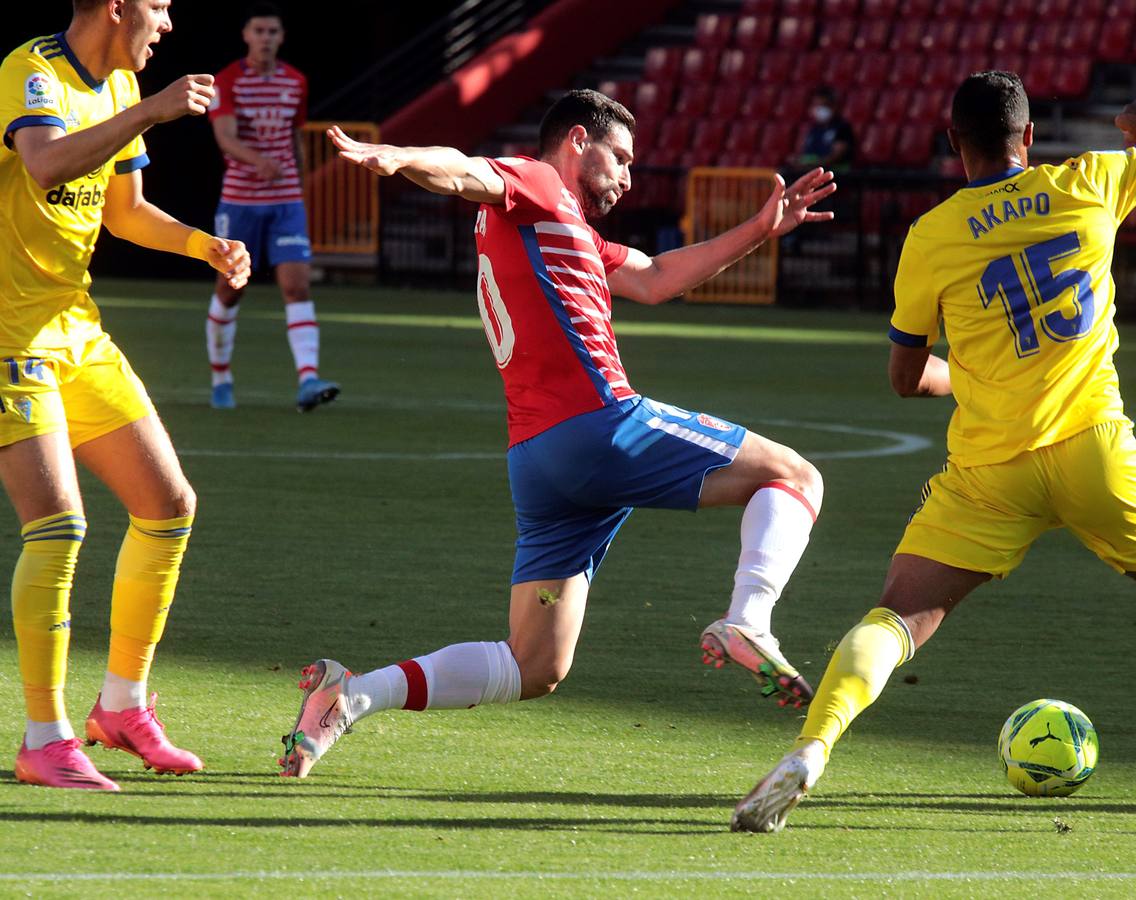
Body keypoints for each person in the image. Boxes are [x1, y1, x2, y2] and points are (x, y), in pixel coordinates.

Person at [732, 73, 1136, 835]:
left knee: (899, 615)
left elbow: (906, 377)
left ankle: (811, 749)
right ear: (1031, 137)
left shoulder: (933, 235)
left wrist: (961, 375)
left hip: (990, 466)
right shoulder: (1093, 180)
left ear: (954, 146)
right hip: (1094, 447)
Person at [275, 89, 836, 779]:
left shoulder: (568, 226)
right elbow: (464, 168)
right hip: (600, 426)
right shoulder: (538, 184)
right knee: (796, 476)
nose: (628, 176)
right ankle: (749, 617)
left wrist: (757, 230)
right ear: (577, 141)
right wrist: (394, 157)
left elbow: (658, 278)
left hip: (539, 459)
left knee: (535, 664)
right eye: (621, 158)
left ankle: (349, 696)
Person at [0, 0, 251, 790]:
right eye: (160, 6)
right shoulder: (31, 71)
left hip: (76, 329)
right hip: (9, 339)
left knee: (169, 504)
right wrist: (154, 105)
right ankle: (45, 738)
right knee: (58, 526)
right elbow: (43, 163)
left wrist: (202, 243)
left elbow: (126, 211)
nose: (170, 22)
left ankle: (123, 707)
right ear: (116, 6)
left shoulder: (113, 87)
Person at [203, 2, 338, 412]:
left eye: (273, 32)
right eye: (259, 31)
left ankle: (308, 380)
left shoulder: (295, 81)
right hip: (241, 202)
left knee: (297, 285)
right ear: (246, 35)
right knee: (229, 290)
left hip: (285, 202)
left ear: (281, 37)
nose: (266, 39)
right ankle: (221, 378)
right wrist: (257, 160)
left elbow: (295, 138)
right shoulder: (226, 81)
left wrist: (300, 182)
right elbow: (225, 138)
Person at [790, 86, 854, 171]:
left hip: (834, 174)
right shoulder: (814, 128)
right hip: (810, 171)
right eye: (817, 105)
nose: (819, 109)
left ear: (834, 106)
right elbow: (806, 154)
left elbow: (836, 156)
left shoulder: (843, 128)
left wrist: (814, 166)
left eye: (824, 105)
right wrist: (797, 161)